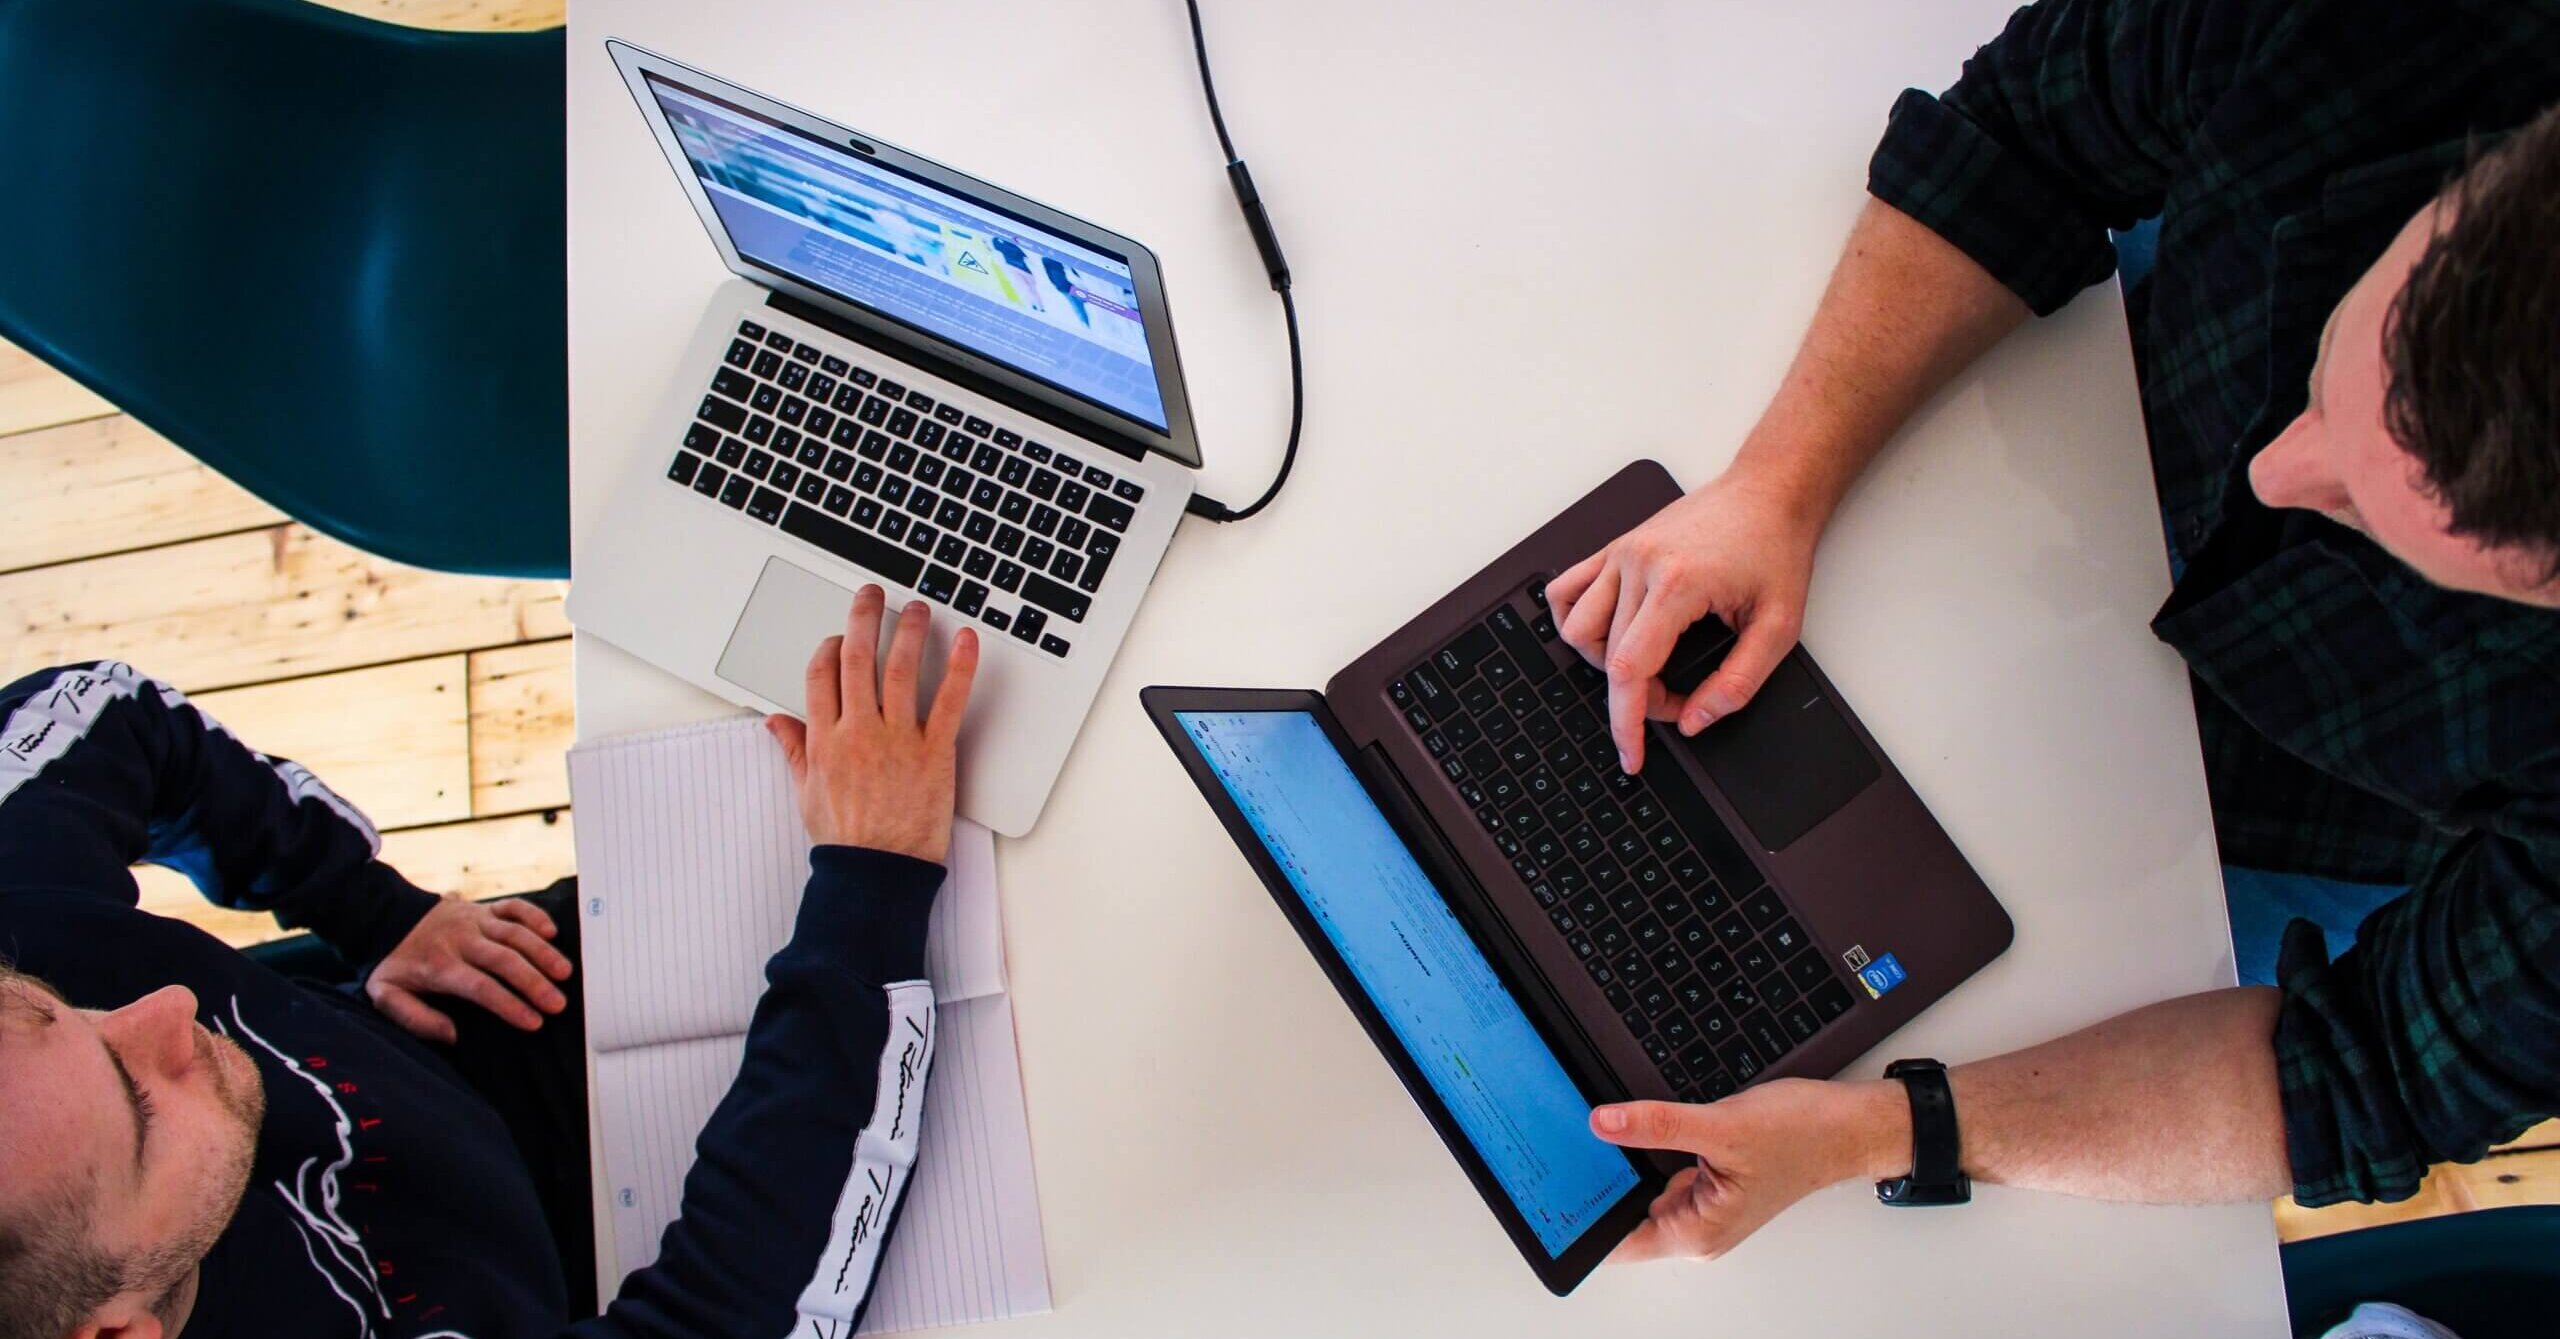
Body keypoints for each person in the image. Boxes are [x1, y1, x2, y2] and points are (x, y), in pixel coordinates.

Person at [1543, 0, 2560, 1262]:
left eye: (2368, 508)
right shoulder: (2383, 31)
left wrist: (1886, 1131)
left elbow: (2356, 1075)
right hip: (2063, 424)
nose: (2274, 474)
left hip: (2304, 806)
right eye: (2328, 374)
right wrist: (1776, 483)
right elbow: (2025, 136)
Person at [0, 587, 976, 1339]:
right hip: (628, 1273)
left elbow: (99, 717)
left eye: (58, 1008)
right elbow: (726, 1318)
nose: (169, 1008)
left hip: (481, 1035)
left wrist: (367, 907)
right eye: (136, 1103)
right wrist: (872, 877)